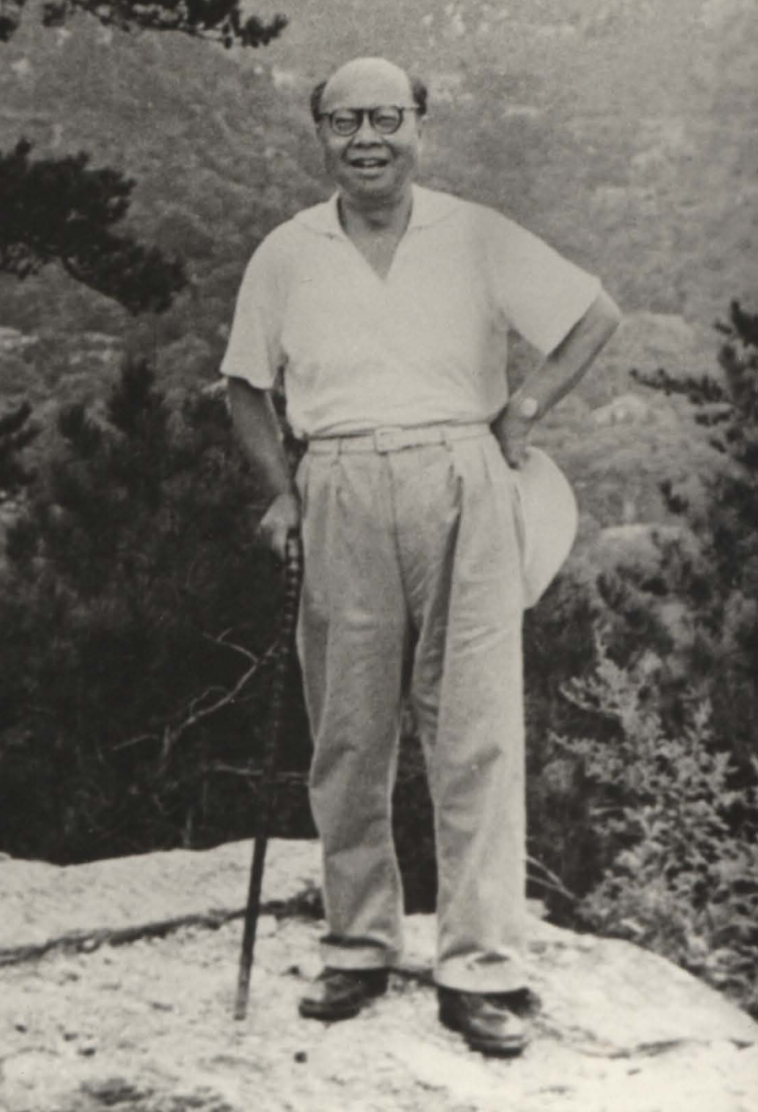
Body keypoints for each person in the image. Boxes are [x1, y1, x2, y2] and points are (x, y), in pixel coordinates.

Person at [221, 56, 620, 1056]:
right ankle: (359, 944)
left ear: (419, 126)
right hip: (339, 482)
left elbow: (593, 315)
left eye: (387, 117)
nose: (367, 138)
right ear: (321, 133)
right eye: (345, 120)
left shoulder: (475, 233)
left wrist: (524, 408)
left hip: (463, 477)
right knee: (348, 731)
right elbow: (244, 385)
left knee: (475, 729)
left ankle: (481, 967)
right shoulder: (287, 251)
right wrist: (283, 491)